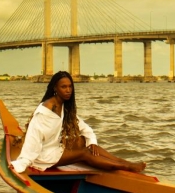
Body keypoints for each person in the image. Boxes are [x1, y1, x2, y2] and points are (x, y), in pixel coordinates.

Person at [10, 71, 146, 173]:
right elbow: (34, 139)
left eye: (70, 86)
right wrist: (22, 163)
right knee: (84, 153)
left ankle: (124, 162)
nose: (68, 90)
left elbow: (84, 127)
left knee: (83, 140)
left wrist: (92, 141)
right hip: (43, 156)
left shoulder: (63, 106)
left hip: (55, 148)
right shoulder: (45, 111)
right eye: (64, 87)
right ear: (55, 89)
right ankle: (125, 167)